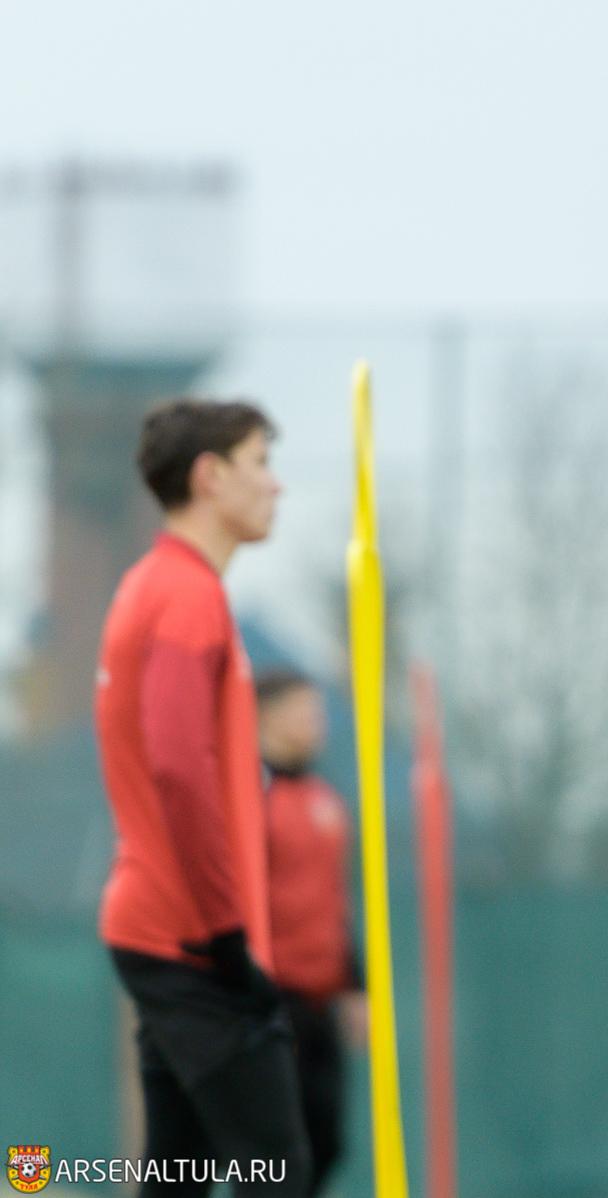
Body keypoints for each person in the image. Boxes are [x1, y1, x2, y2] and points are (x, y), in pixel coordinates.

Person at [95, 398, 310, 1193]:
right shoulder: (186, 596)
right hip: (187, 939)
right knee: (278, 1172)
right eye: (260, 463)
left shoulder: (156, 586)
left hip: (164, 929)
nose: (275, 485)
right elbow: (178, 769)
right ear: (210, 476)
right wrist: (224, 935)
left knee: (176, 1175)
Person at [255, 668, 367, 1197]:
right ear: (266, 716)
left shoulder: (327, 800)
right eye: (304, 710)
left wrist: (356, 986)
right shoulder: (250, 797)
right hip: (271, 997)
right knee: (276, 1149)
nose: (317, 722)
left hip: (322, 1001)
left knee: (328, 1142)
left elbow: (335, 903)